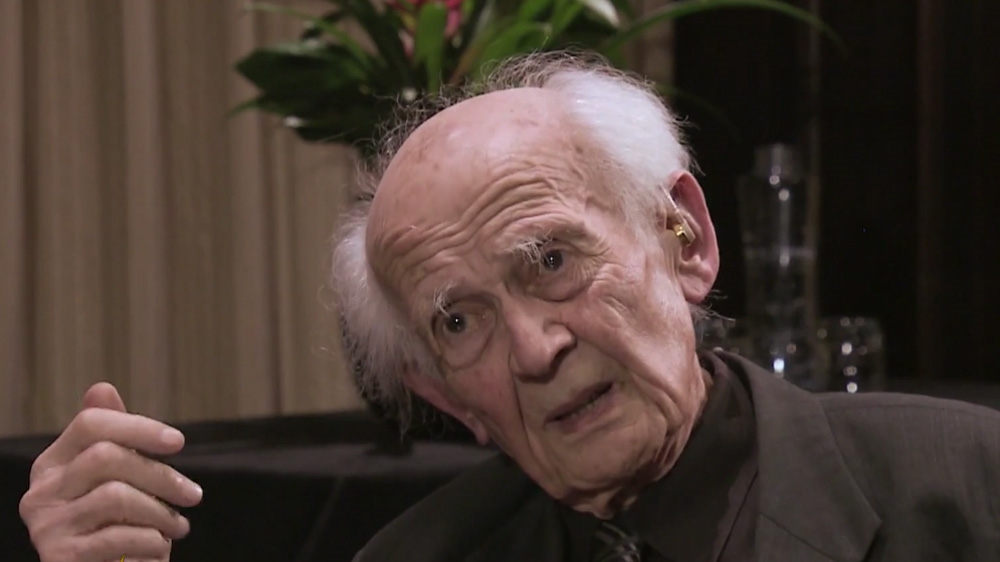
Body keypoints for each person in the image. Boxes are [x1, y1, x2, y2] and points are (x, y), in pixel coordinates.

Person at [18, 51, 1000, 562]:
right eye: (459, 320)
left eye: (552, 260)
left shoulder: (963, 485)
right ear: (447, 398)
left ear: (686, 241)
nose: (534, 348)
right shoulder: (416, 558)